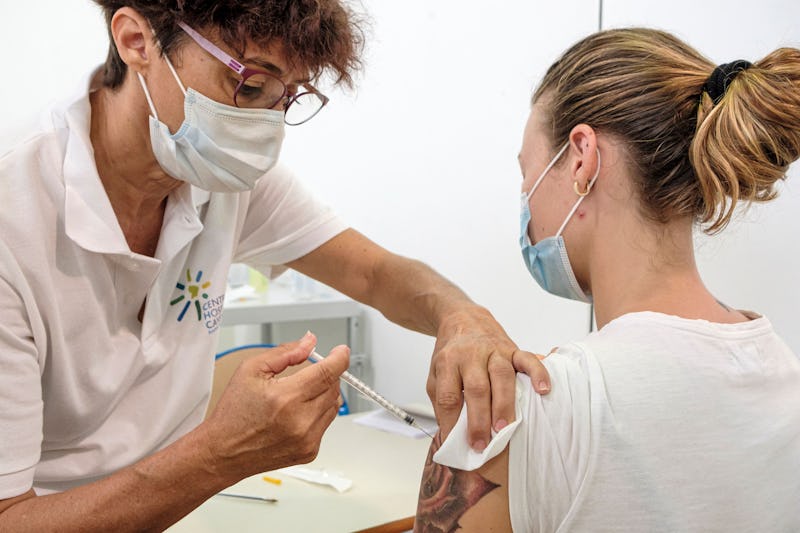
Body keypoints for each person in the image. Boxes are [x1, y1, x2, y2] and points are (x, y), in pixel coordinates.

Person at [0, 1, 552, 529]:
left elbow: (374, 274)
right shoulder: (15, 216)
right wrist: (220, 453)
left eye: (286, 99)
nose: (265, 127)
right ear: (136, 40)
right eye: (250, 85)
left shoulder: (221, 180)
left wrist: (460, 315)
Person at [413, 27, 800, 532]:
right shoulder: (782, 372)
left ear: (581, 158)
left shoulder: (513, 414)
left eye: (527, 173)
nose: (527, 204)